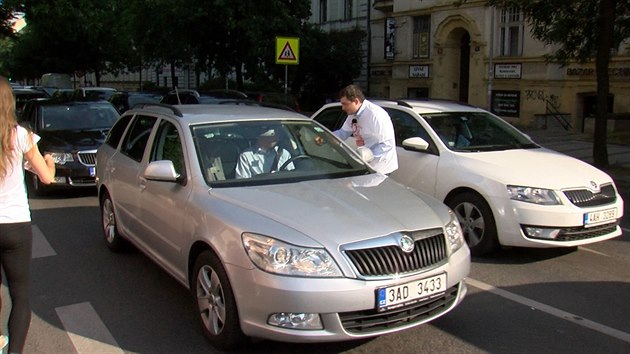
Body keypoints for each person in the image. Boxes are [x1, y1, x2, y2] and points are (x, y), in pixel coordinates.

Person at [0, 76, 56, 353]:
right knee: (20, 295)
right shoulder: (21, 135)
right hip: (16, 226)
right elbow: (46, 179)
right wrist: (49, 163)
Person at [333, 84, 398, 175]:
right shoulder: (353, 114)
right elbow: (343, 133)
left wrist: (363, 158)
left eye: (345, 104)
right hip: (366, 164)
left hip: (381, 168)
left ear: (356, 101)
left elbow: (386, 145)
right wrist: (325, 137)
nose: (343, 108)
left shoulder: (376, 115)